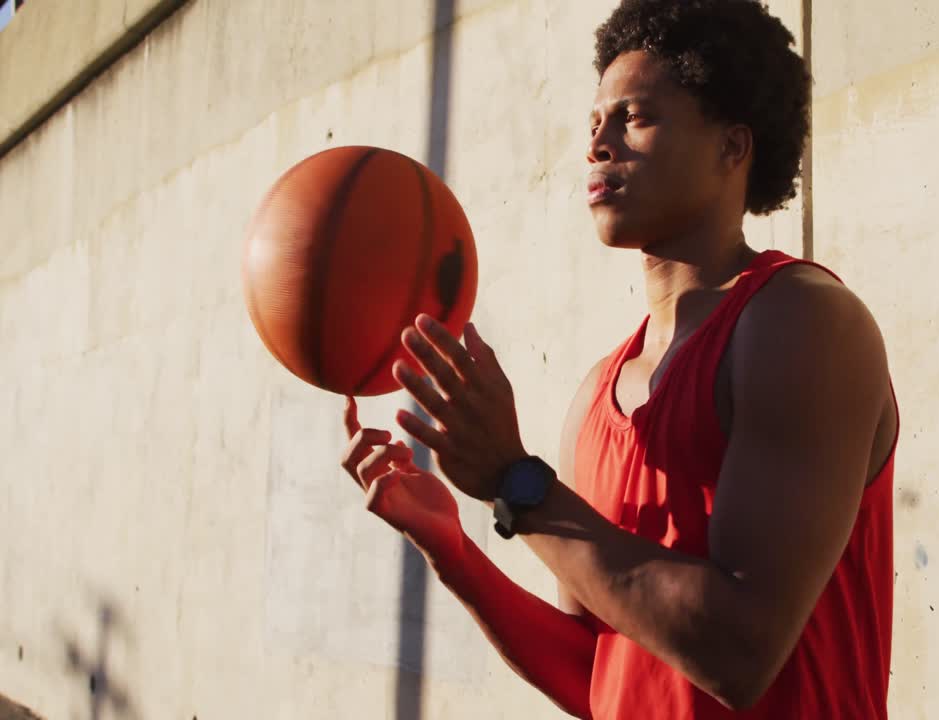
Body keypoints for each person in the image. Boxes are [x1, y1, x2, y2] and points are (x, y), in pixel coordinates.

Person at [340, 1, 899, 717]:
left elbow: (738, 650)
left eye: (635, 117)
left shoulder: (801, 322)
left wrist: (518, 484)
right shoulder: (598, 392)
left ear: (733, 148)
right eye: (594, 124)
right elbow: (595, 670)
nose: (599, 144)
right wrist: (451, 544)